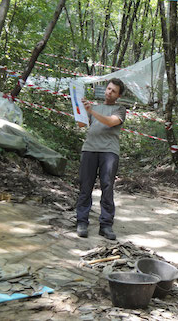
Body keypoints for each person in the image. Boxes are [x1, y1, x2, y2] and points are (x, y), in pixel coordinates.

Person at [76, 78, 127, 240]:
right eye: (108, 89)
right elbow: (81, 125)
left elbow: (111, 122)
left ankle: (105, 225)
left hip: (109, 152)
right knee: (85, 186)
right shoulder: (95, 107)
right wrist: (79, 108)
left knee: (107, 188)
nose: (109, 92)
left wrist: (91, 111)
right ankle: (82, 222)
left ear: (118, 95)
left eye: (113, 91)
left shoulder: (120, 109)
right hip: (89, 149)